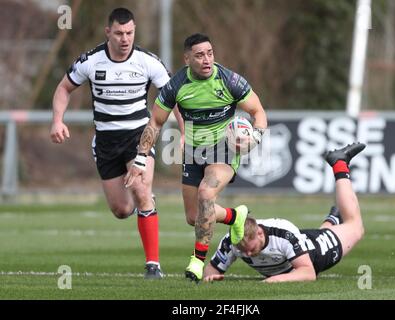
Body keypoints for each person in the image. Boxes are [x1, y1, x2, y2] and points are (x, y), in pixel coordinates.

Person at [50, 8, 182, 279]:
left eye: (130, 33)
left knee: (142, 191)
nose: (125, 38)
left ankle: (153, 265)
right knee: (121, 210)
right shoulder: (91, 61)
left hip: (139, 138)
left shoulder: (148, 62)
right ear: (108, 32)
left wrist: (184, 132)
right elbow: (64, 88)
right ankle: (143, 203)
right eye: (120, 33)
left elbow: (174, 97)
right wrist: (57, 120)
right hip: (106, 142)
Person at [124, 33, 268, 282]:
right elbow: (155, 122)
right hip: (193, 153)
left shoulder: (230, 81)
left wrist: (255, 136)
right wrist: (140, 158)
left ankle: (197, 261)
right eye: (199, 55)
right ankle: (235, 216)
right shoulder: (176, 85)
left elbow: (258, 111)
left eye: (210, 53)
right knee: (194, 217)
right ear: (187, 58)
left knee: (206, 195)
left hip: (224, 151)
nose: (206, 60)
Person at [203, 142, 366, 283]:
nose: (248, 254)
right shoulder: (233, 241)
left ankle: (339, 163)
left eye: (250, 250)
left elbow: (307, 272)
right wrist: (212, 276)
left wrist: (277, 279)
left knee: (355, 226)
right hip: (297, 244)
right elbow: (211, 270)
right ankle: (332, 218)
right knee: (300, 243)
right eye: (243, 251)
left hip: (317, 251)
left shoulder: (282, 233)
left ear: (259, 233)